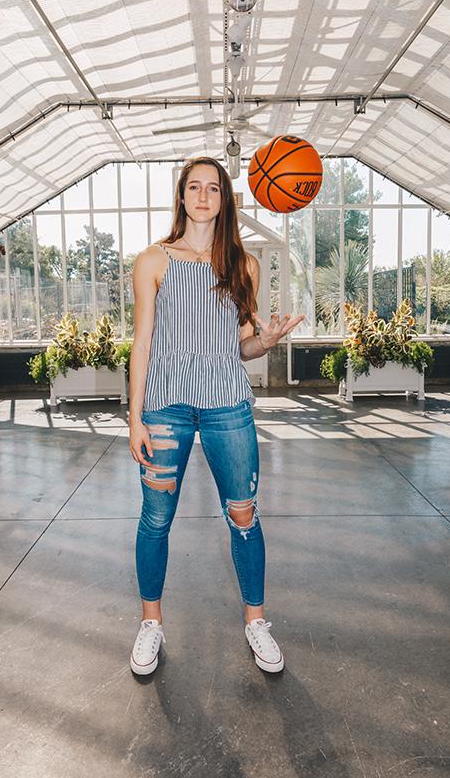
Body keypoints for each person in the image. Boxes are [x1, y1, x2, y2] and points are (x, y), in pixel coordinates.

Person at [128, 156, 304, 675]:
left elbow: (243, 346)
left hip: (228, 404)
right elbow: (141, 345)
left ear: (224, 199)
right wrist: (134, 419)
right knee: (156, 519)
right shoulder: (152, 261)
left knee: (244, 516)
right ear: (181, 196)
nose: (203, 196)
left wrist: (265, 340)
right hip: (165, 408)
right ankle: (151, 625)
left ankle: (256, 622)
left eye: (214, 188)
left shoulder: (242, 266)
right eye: (194, 187)